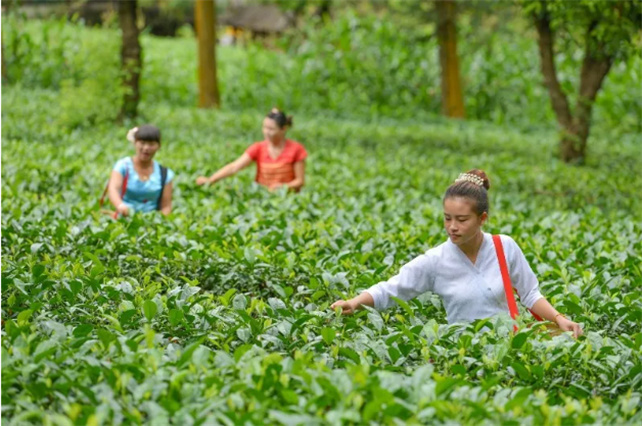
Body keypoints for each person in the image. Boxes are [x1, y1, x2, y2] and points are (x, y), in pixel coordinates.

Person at [331, 169, 584, 338]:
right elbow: (392, 288)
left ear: (482, 218)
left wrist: (559, 318)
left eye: (462, 220)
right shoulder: (436, 261)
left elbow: (529, 294)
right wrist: (354, 302)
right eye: (447, 218)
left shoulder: (504, 246)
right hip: (464, 351)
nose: (453, 227)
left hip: (509, 348)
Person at [196, 108, 307, 191]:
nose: (266, 132)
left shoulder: (296, 149)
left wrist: (284, 187)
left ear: (283, 129)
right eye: (265, 127)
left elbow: (300, 181)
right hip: (262, 195)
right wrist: (211, 180)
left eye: (271, 129)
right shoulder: (258, 148)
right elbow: (234, 167)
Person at [107, 125, 174, 217]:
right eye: (142, 143)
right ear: (135, 143)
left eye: (151, 144)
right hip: (124, 218)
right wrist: (120, 206)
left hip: (151, 222)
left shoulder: (165, 174)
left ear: (158, 146)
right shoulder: (123, 166)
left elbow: (166, 206)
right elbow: (113, 189)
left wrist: (158, 220)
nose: (146, 148)